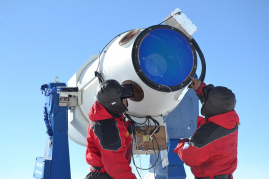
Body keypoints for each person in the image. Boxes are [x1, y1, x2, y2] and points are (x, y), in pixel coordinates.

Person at [174, 77, 239, 179]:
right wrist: (200, 88)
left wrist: (181, 144)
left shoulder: (209, 133)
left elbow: (190, 157)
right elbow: (217, 101)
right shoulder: (230, 119)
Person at [85, 79, 137, 179]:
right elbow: (115, 166)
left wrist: (127, 128)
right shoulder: (107, 128)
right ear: (114, 103)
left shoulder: (108, 119)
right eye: (124, 100)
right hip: (106, 175)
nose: (126, 103)